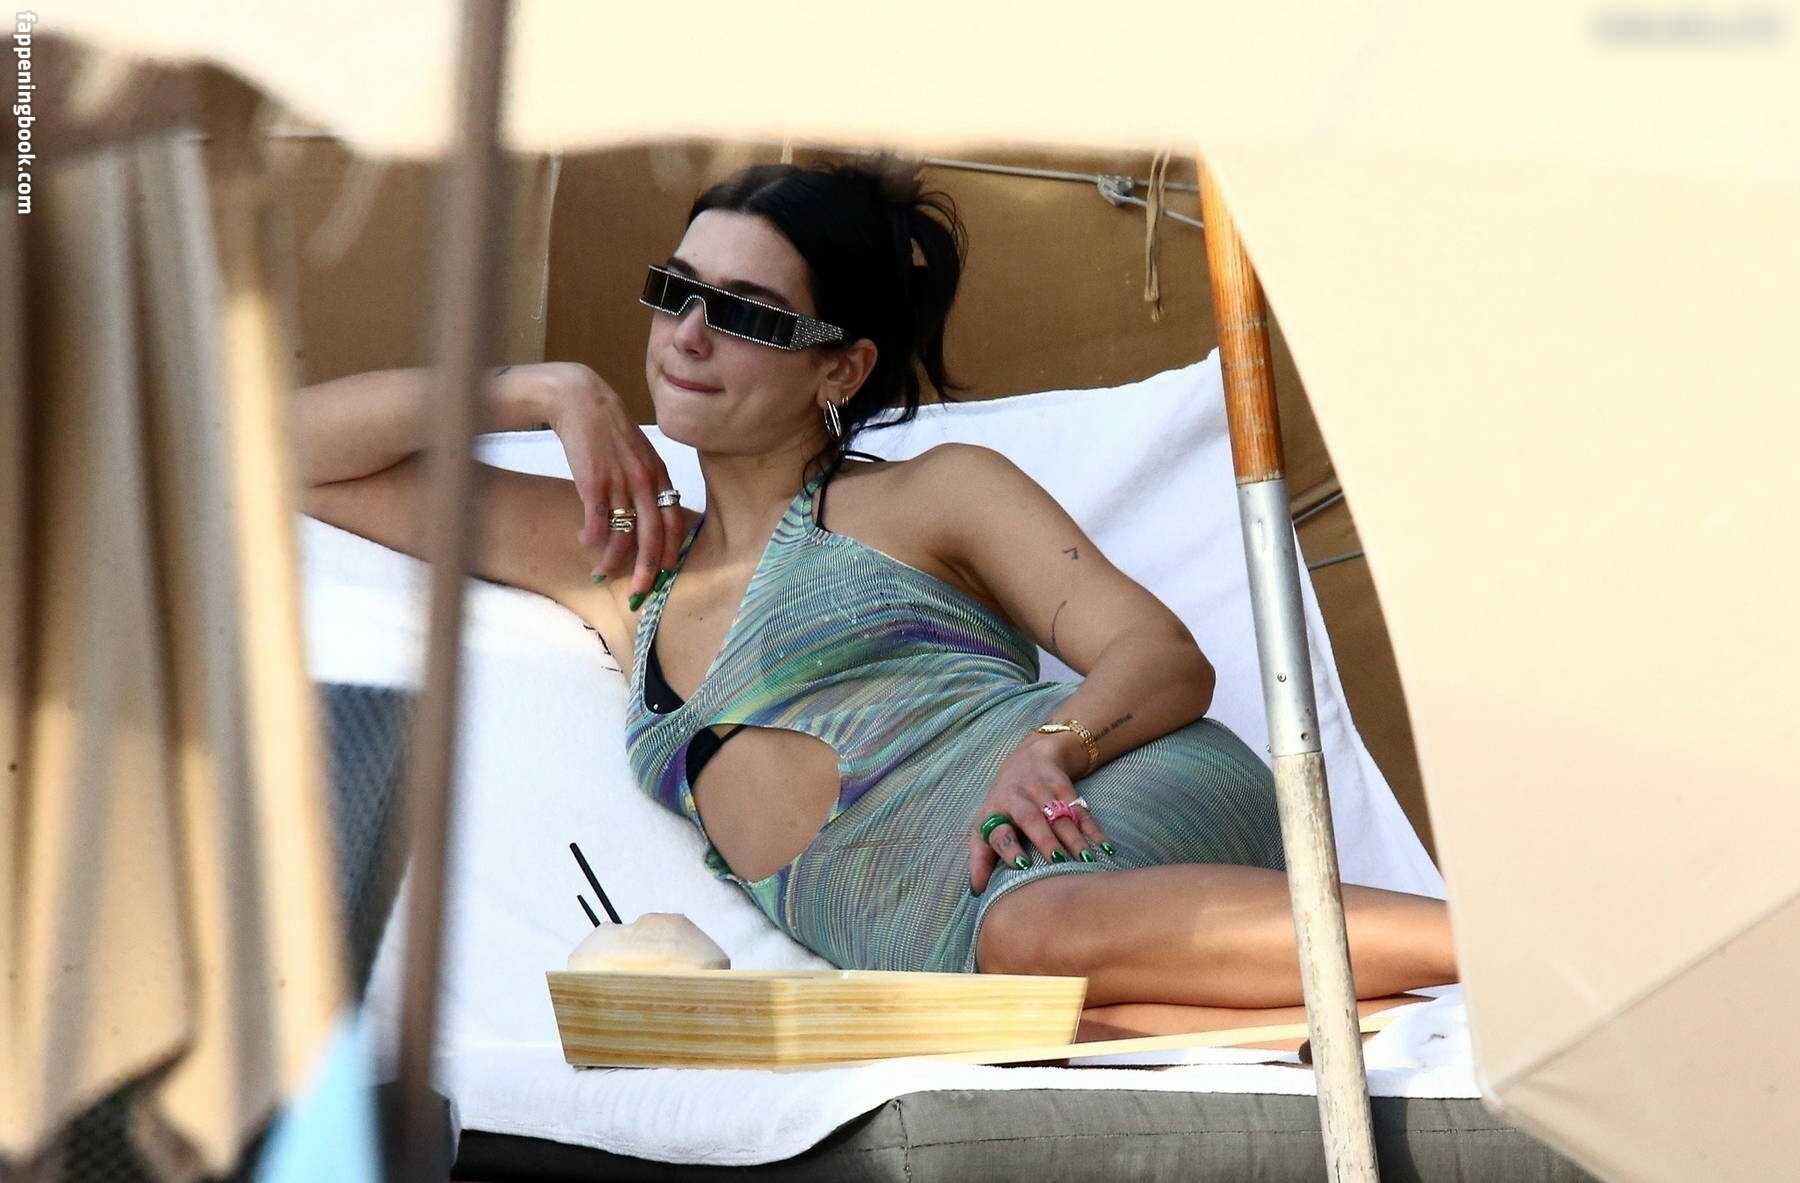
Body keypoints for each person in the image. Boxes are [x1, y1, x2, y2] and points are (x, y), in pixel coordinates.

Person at [300, 157, 1457, 1041]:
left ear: (841, 368)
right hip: (963, 956)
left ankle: (1496, 948)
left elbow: (1162, 656)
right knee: (1049, 1019)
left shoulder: (931, 496)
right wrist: (545, 388)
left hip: (1090, 809)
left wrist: (1051, 749)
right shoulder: (628, 558)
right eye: (675, 292)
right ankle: (1385, 997)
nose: (688, 337)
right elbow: (284, 453)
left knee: (1031, 939)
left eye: (747, 313)